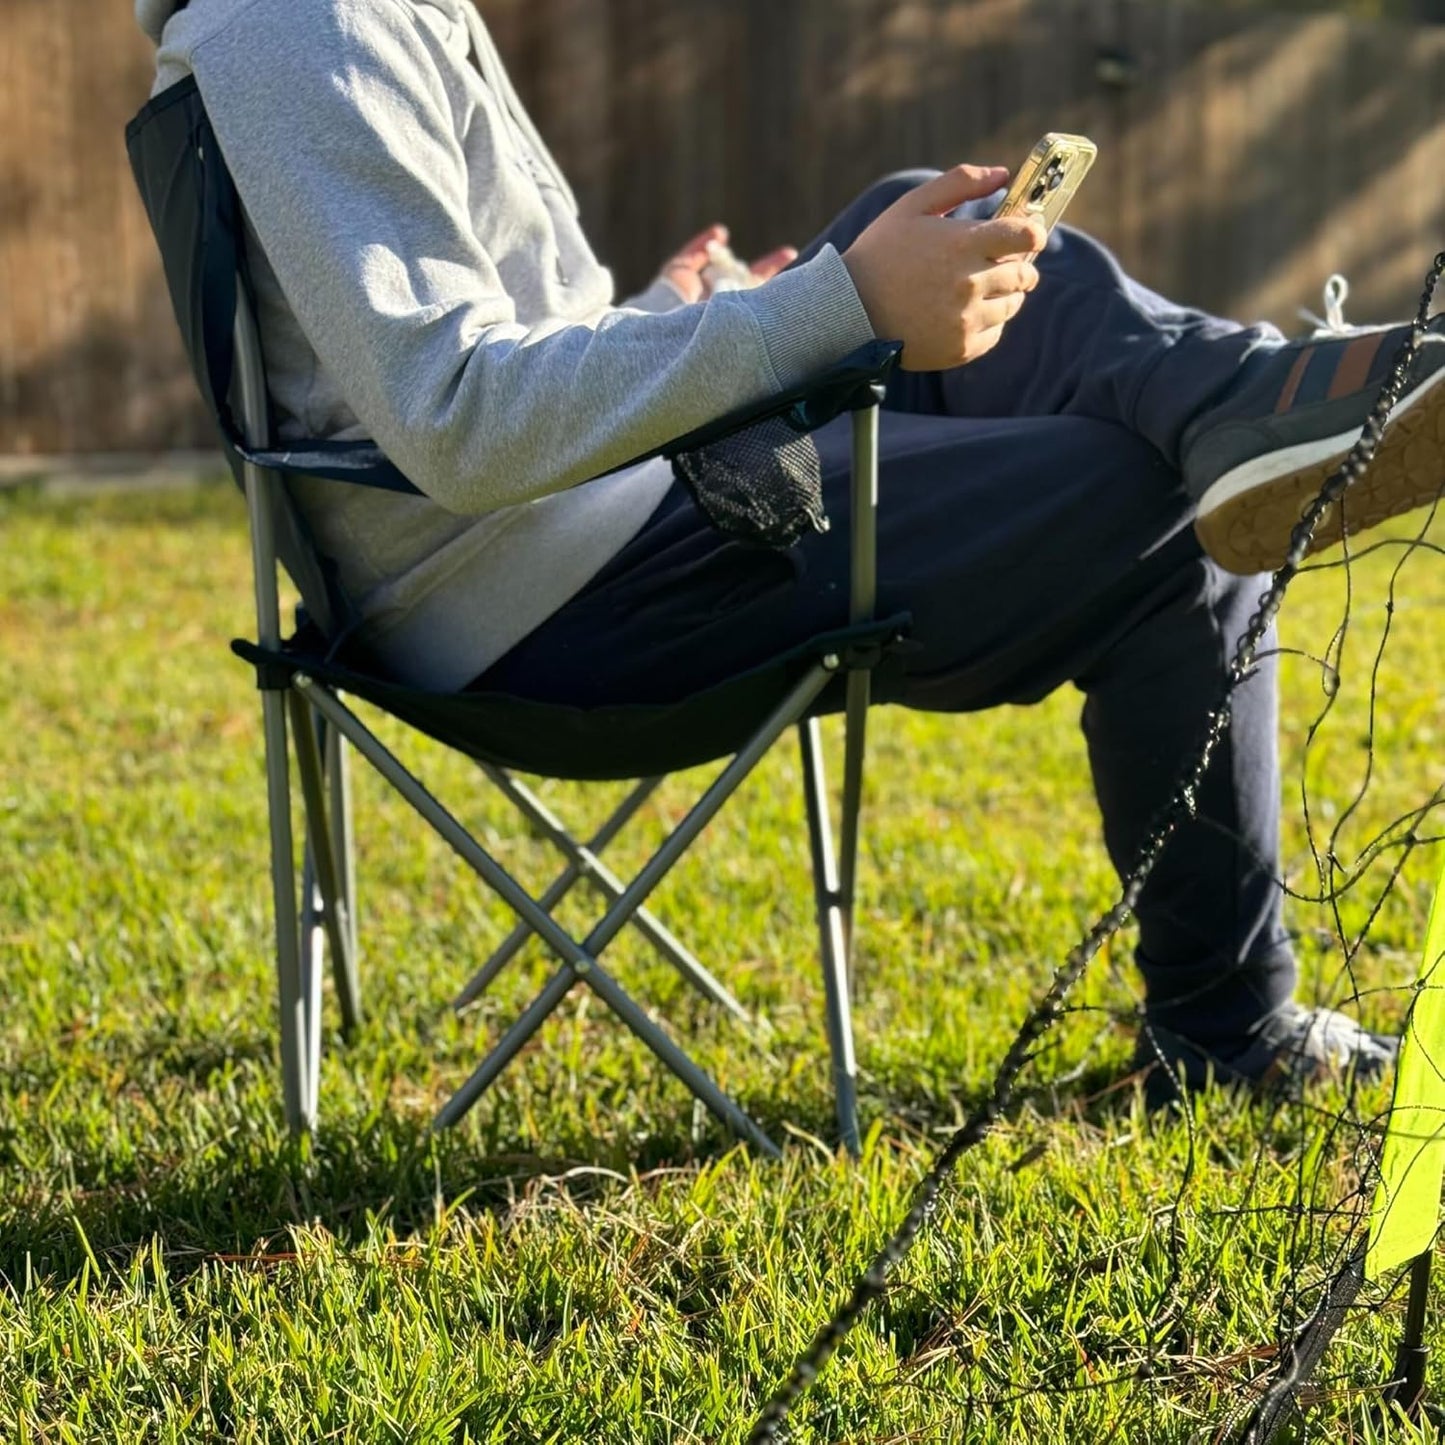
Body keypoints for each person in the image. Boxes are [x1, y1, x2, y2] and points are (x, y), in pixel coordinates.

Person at [136, 0, 1444, 1095]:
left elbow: (474, 352)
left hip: (581, 521)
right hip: (559, 600)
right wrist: (833, 307)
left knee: (918, 220)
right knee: (1153, 515)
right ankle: (1228, 1039)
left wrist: (683, 313)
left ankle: (1241, 401)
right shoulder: (301, 25)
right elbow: (457, 418)